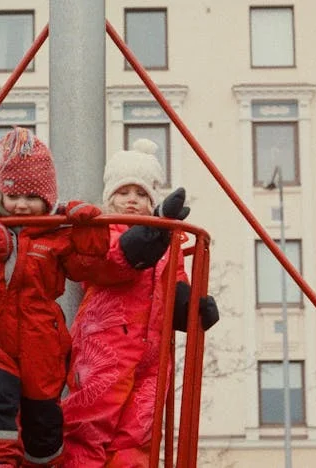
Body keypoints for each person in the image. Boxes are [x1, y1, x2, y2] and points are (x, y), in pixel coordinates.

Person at [0, 127, 109, 468]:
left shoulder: (55, 233)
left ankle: (42, 463)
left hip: (41, 342)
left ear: (47, 200)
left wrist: (86, 223)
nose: (21, 205)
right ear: (0, 193)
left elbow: (90, 259)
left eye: (32, 197)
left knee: (43, 418)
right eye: (13, 195)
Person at [61, 138, 220, 468]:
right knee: (89, 425)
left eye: (142, 194)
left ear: (153, 201)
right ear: (110, 198)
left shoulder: (166, 242)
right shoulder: (103, 231)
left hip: (152, 355)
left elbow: (174, 283)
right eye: (124, 192)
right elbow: (105, 265)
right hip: (104, 348)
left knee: (140, 433)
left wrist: (192, 308)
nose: (132, 200)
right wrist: (151, 237)